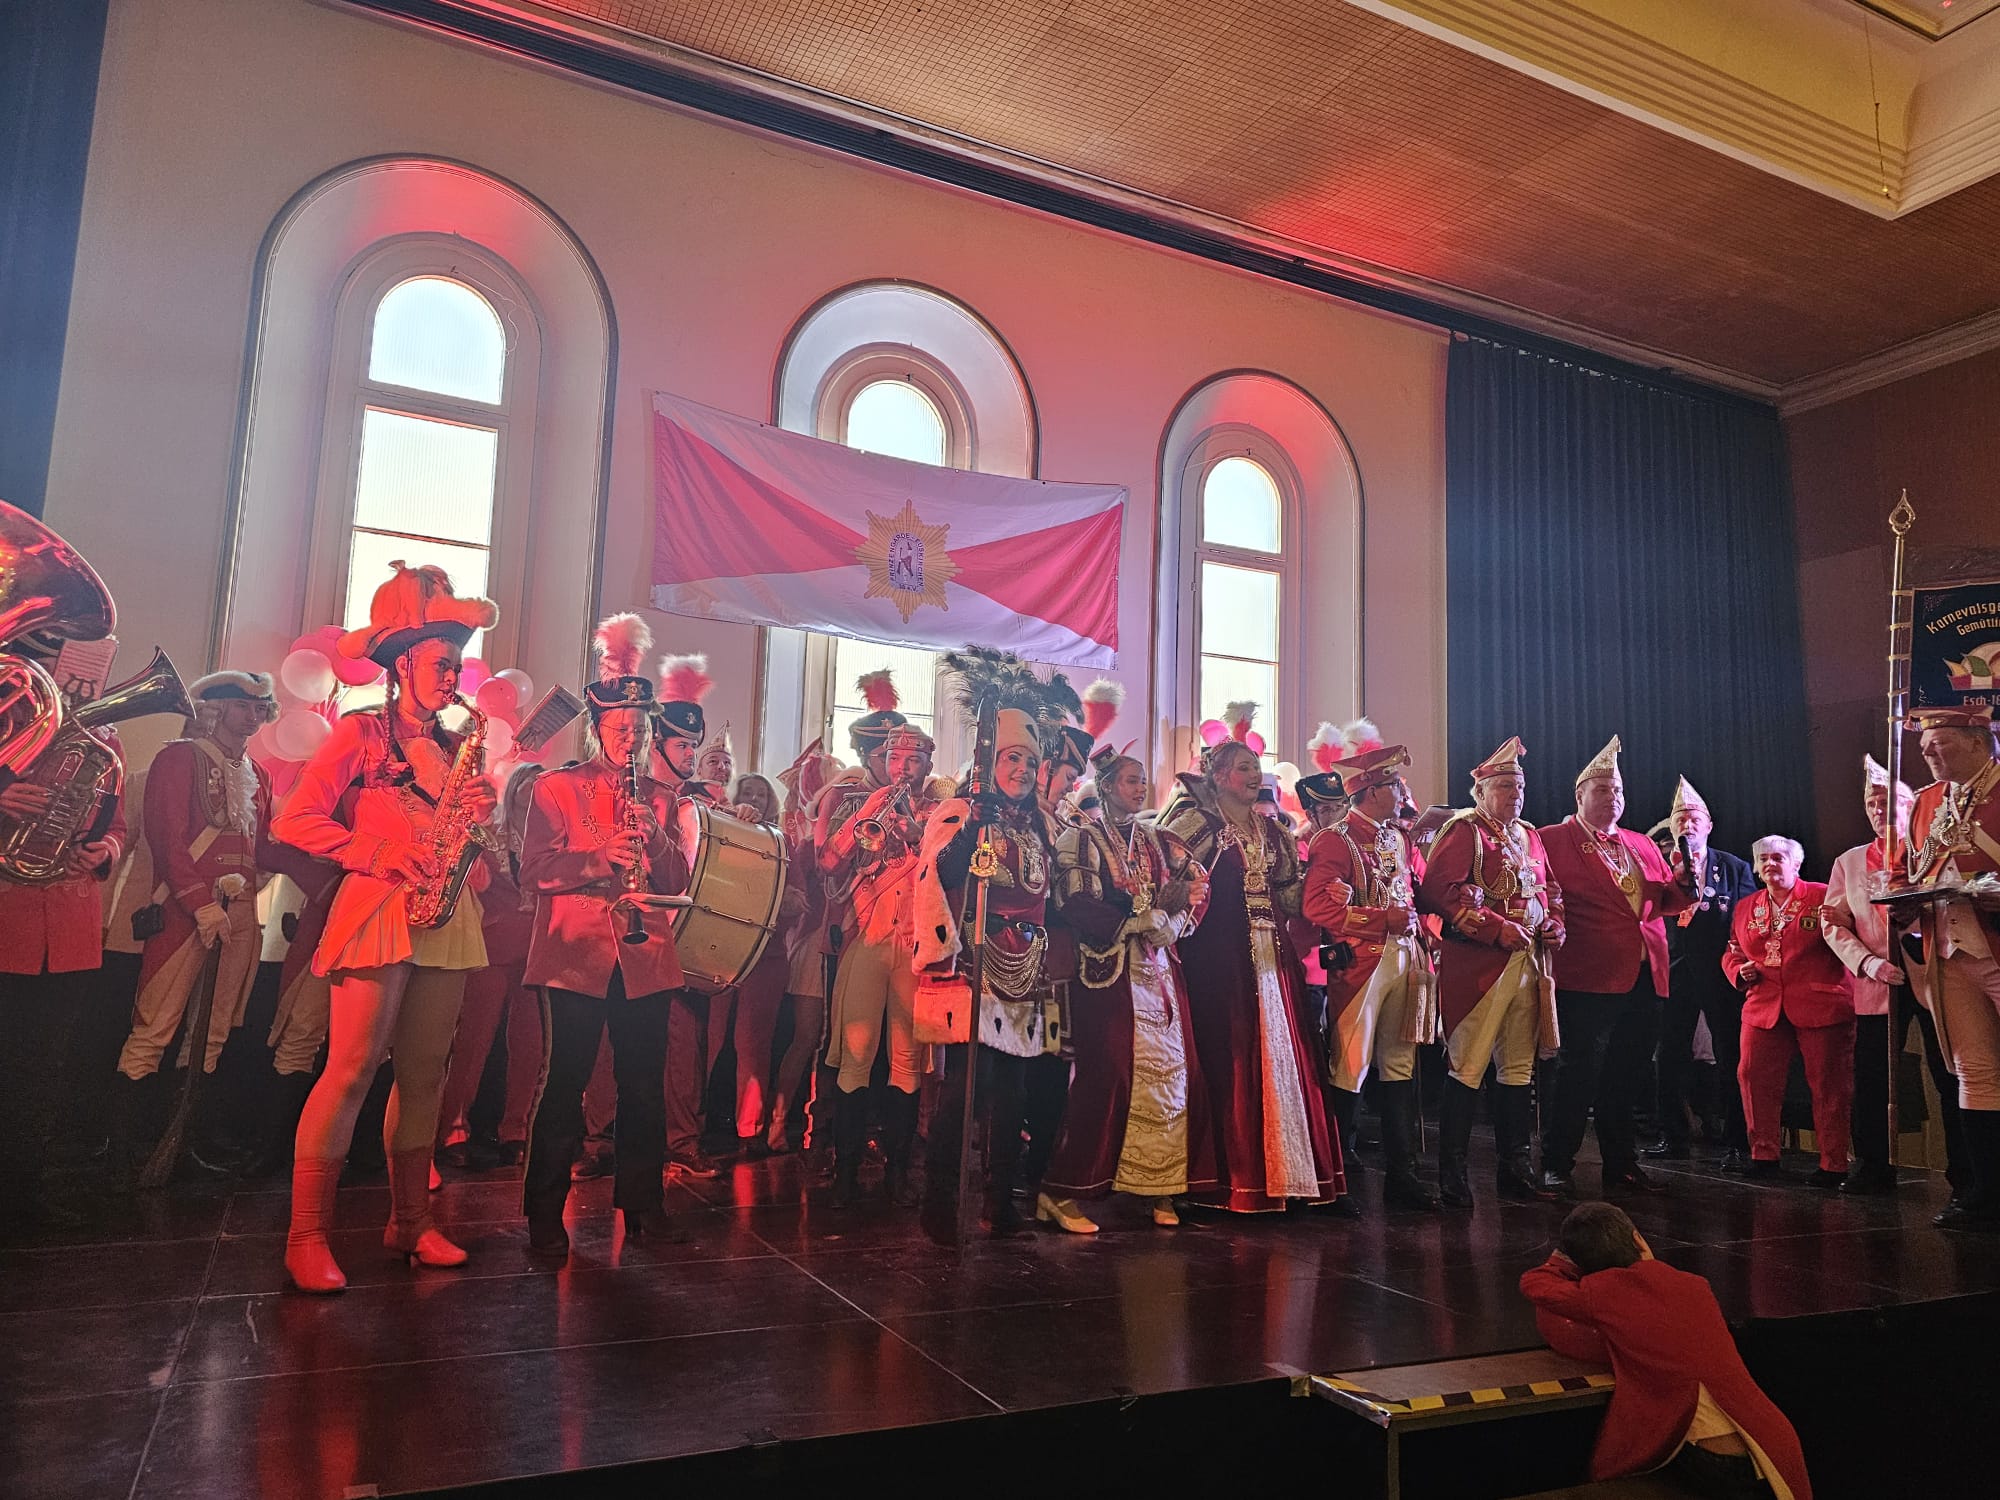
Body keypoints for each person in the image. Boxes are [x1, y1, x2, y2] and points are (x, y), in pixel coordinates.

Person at [270, 561, 499, 1293]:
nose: (452, 677)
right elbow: (293, 820)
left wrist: (481, 819)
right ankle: (306, 1236)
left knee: (426, 1073)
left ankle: (410, 1222)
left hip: (443, 911)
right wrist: (377, 851)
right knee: (352, 1068)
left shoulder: (455, 745)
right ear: (402, 666)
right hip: (376, 905)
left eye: (457, 665)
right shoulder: (361, 733)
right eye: (440, 664)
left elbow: (471, 842)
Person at [516, 618, 691, 1257]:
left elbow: (678, 881)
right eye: (620, 729)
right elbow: (534, 872)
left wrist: (660, 838)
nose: (630, 739)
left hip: (646, 955)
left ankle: (644, 1204)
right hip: (575, 957)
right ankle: (544, 1213)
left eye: (639, 730)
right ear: (596, 727)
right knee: (565, 1081)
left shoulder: (664, 797)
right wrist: (598, 858)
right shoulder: (555, 788)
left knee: (644, 1084)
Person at [1038, 698, 1215, 1232]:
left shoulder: (1160, 840)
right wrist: (1136, 921)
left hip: (1160, 973)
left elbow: (1197, 884)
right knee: (1108, 1075)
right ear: (1108, 785)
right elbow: (1073, 901)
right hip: (1108, 974)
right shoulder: (1081, 837)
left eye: (1143, 781)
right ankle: (1065, 1190)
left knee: (1176, 1075)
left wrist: (1176, 922)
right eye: (1132, 780)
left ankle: (1158, 1185)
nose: (1141, 788)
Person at [917, 651, 1076, 1240]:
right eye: (1013, 758)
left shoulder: (1041, 825)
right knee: (967, 1088)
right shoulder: (960, 811)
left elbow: (1052, 895)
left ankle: (999, 1200)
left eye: (1031, 762)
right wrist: (970, 831)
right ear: (990, 761)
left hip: (1025, 970)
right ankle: (940, 1205)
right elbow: (939, 875)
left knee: (1013, 1093)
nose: (1023, 770)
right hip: (975, 965)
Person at [1162, 718, 1343, 1213]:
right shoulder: (1195, 825)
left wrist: (1325, 890)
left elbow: (1289, 896)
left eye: (1256, 767)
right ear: (1218, 776)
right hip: (1215, 960)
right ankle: (1225, 1177)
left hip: (1271, 959)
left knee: (1283, 1053)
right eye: (1242, 768)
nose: (1253, 775)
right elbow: (1163, 876)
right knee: (1227, 1054)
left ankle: (1286, 1174)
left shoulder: (1273, 831)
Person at [1521, 1202, 1811, 1500]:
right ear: (1638, 1239)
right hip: (1770, 1444)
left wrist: (1563, 1262)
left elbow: (1534, 1283)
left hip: (1714, 1461)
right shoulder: (1695, 1285)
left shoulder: (1603, 1293)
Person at [107, 671, 278, 1176]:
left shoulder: (260, 774)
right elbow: (167, 839)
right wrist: (201, 903)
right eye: (243, 705)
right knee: (155, 1026)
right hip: (186, 911)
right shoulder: (178, 759)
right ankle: (127, 1150)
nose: (254, 715)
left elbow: (262, 847)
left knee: (214, 1031)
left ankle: (182, 1142)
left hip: (240, 910)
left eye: (260, 707)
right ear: (216, 708)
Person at [0, 638, 126, 1228]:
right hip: (9, 917)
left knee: (46, 1067)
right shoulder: (7, 725)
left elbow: (117, 824)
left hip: (71, 924)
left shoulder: (104, 740)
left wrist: (105, 852)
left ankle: (24, 1190)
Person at [1539, 736, 1694, 1198]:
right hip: (1587, 974)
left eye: (1619, 791)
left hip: (1645, 974)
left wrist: (1685, 885)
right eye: (1603, 790)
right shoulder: (1550, 840)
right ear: (1579, 795)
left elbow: (1661, 903)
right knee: (1577, 1072)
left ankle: (1621, 1163)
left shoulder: (1640, 843)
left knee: (1628, 1073)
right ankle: (1556, 1162)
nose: (1613, 798)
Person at [1418, 736, 1566, 1209]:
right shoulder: (1465, 831)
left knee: (1518, 1066)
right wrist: (1494, 928)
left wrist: (1555, 923)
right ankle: (1453, 1173)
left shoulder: (1530, 835)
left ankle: (1515, 1167)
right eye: (1504, 786)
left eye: (1519, 786)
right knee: (1468, 1065)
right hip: (1480, 966)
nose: (1515, 794)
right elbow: (1437, 890)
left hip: (1529, 962)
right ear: (1480, 791)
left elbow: (1550, 889)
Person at [1305, 721, 1436, 1210]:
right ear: (1373, 790)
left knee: (1399, 1064)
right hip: (1361, 965)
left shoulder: (1396, 838)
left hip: (1404, 958)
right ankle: (1335, 1178)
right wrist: (1382, 919)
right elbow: (1318, 907)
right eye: (1395, 785)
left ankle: (1402, 1175)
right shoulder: (1335, 840)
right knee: (1351, 1066)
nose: (1402, 792)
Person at [1822, 755, 1961, 1197]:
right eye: (1871, 803)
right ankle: (1873, 1166)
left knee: (1949, 1073)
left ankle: (1966, 1174)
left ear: (1910, 806)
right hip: (1877, 979)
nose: (1878, 809)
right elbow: (1833, 923)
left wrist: (1917, 921)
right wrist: (1867, 963)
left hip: (1934, 973)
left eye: (1888, 802)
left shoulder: (1931, 850)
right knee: (1873, 1076)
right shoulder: (1849, 862)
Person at [820, 711, 938, 1207]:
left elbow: (952, 870)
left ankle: (898, 1172)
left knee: (907, 1062)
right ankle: (844, 1172)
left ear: (927, 764)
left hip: (914, 946)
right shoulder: (859, 801)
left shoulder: (942, 809)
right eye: (895, 758)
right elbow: (828, 862)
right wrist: (865, 815)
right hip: (866, 938)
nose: (902, 768)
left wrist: (916, 834)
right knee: (856, 1055)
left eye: (912, 760)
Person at [1895, 704, 2000, 1231]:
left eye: (1938, 744)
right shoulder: (1925, 801)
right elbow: (1907, 870)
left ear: (1978, 741)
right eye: (1923, 747)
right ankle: (1986, 1195)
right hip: (1947, 950)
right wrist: (1901, 901)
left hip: (1994, 943)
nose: (1928, 754)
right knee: (1974, 1072)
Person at [1721, 838, 1854, 1187]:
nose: (1770, 864)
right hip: (1763, 1004)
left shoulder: (1823, 895)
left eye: (1778, 857)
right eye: (1763, 859)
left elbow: (1849, 936)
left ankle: (1833, 1164)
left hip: (1820, 1001)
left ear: (1796, 863)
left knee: (1829, 1085)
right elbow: (1732, 951)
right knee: (1752, 1077)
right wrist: (1738, 970)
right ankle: (1763, 1155)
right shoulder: (1746, 906)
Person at [1651, 778, 1758, 1168]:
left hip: (1719, 971)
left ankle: (1737, 1141)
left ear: (1709, 825)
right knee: (1669, 1056)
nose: (1688, 825)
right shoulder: (1658, 867)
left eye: (1695, 819)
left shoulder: (1733, 867)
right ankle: (1673, 1136)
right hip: (1673, 971)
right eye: (1681, 819)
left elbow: (1746, 921)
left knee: (1730, 1055)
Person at [1020, 705, 1095, 1194]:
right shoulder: (1027, 820)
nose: (1070, 788)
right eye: (1067, 778)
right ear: (1046, 770)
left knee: (1052, 1068)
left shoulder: (1062, 822)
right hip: (1029, 959)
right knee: (1027, 1070)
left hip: (1060, 961)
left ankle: (1042, 1164)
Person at [652, 652, 721, 1179]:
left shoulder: (701, 803)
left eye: (694, 745)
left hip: (683, 935)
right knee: (610, 1045)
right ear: (657, 744)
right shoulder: (634, 792)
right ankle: (598, 1139)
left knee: (683, 1044)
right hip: (635, 930)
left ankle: (682, 1140)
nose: (692, 754)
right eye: (682, 745)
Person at [721, 771, 807, 1154]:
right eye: (747, 792)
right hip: (720, 950)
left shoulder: (782, 841)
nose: (754, 799)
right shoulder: (721, 828)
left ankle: (750, 1130)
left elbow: (799, 900)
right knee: (707, 1044)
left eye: (761, 794)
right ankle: (695, 1132)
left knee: (753, 1043)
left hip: (766, 955)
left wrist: (777, 899)